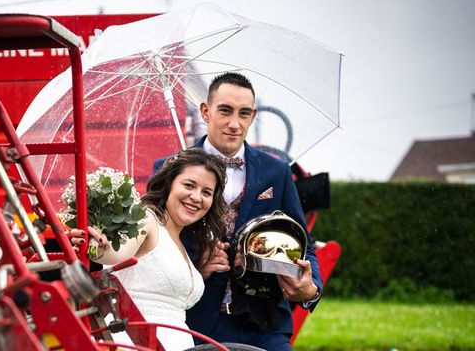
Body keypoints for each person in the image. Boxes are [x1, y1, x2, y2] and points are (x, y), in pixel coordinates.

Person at [153, 72, 323, 350]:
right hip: (196, 323)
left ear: (253, 117)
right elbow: (157, 250)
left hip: (265, 324)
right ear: (206, 112)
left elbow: (305, 246)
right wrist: (198, 268)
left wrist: (311, 289)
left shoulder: (276, 172)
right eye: (225, 111)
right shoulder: (169, 169)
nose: (235, 123)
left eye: (244, 113)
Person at [70, 148, 228, 351]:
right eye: (189, 185)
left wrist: (201, 272)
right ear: (169, 185)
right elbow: (114, 255)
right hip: (136, 341)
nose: (197, 197)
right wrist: (95, 246)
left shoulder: (180, 243)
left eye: (206, 192)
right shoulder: (147, 220)